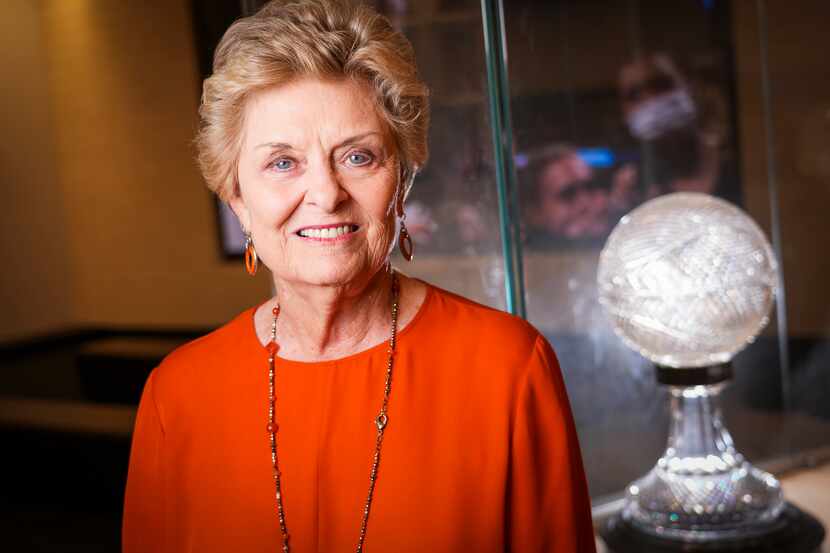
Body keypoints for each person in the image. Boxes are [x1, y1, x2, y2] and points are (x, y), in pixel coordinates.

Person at [122, 1, 595, 552]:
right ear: (237, 199)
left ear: (402, 182)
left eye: (358, 157)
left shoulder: (509, 369)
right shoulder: (177, 394)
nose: (325, 194)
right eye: (282, 163)